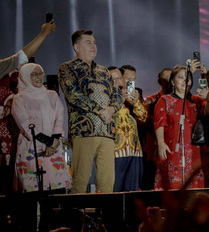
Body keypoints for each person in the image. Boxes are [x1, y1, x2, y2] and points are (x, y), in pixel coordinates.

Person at [58, 30, 123, 194]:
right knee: (81, 181)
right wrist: (100, 111)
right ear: (76, 46)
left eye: (94, 42)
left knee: (107, 182)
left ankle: (105, 219)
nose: (93, 46)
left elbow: (116, 94)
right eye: (88, 42)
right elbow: (73, 95)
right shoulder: (68, 68)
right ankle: (76, 218)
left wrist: (112, 109)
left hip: (107, 131)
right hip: (84, 130)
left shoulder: (104, 71)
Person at [11, 63, 70, 192]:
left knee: (56, 188)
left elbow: (59, 118)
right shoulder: (19, 99)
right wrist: (49, 142)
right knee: (33, 188)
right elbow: (26, 125)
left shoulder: (52, 95)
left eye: (40, 73)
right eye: (34, 74)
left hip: (53, 148)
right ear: (25, 77)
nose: (39, 77)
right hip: (31, 145)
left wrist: (54, 141)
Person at [154, 65, 208, 190]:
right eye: (180, 78)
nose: (184, 81)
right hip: (172, 147)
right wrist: (161, 143)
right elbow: (159, 122)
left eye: (187, 78)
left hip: (194, 148)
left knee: (194, 180)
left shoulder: (197, 101)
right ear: (172, 81)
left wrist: (205, 87)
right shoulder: (165, 100)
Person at [108, 67, 147, 192]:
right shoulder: (106, 97)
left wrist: (136, 102)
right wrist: (119, 100)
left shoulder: (132, 96)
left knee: (133, 191)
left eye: (119, 78)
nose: (118, 82)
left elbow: (144, 117)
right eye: (114, 79)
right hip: (116, 151)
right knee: (116, 189)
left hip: (135, 151)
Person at [141, 67, 172, 190]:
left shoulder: (181, 100)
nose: (170, 81)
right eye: (167, 78)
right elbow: (143, 120)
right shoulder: (151, 100)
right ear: (160, 81)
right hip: (154, 149)